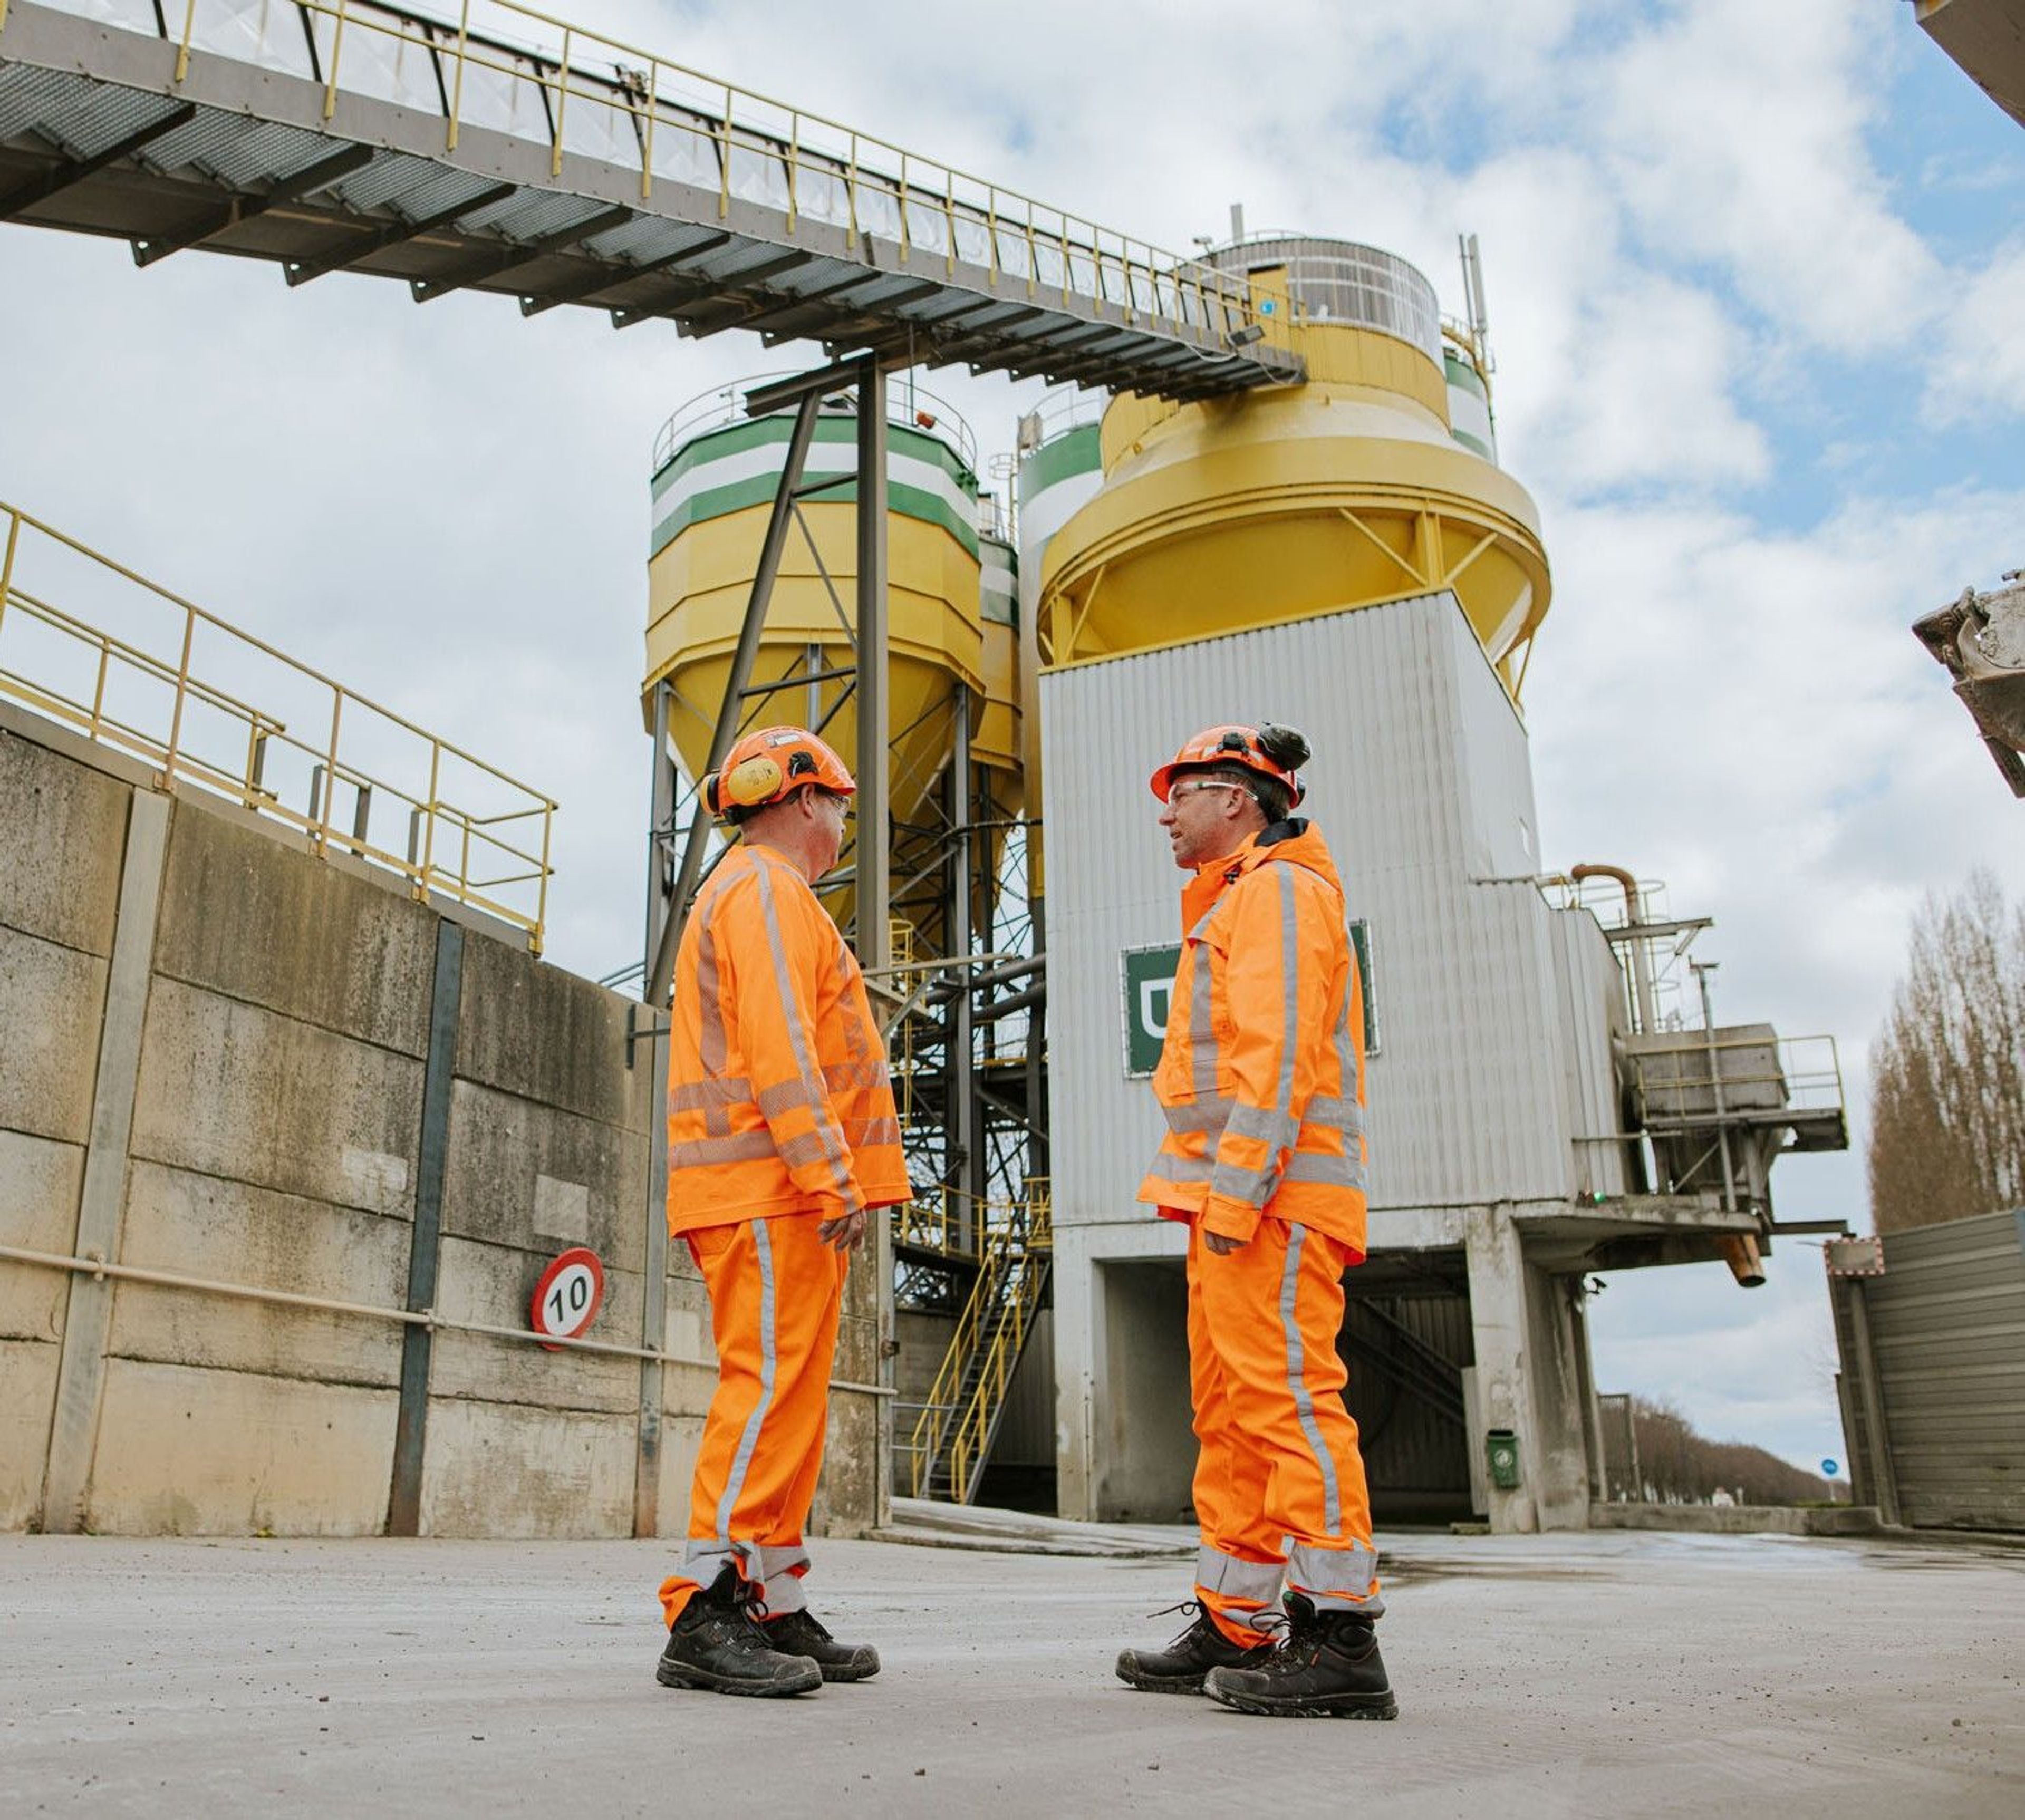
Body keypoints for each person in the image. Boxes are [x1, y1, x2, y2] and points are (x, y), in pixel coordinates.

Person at [1113, 722, 1396, 1720]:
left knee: (1286, 1404)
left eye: (1182, 792)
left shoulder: (1279, 892)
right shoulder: (1240, 896)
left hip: (1271, 1202)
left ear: (1236, 799)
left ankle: (1341, 1634)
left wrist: (1237, 1194)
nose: (1166, 811)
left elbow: (1273, 1060)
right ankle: (1237, 1621)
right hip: (1234, 1202)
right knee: (1232, 1417)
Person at [653, 725, 910, 1698]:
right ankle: (704, 1607)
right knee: (765, 1390)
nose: (843, 823)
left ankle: (769, 1597)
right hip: (768, 1187)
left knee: (792, 1402)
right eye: (841, 804)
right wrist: (828, 1172)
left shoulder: (779, 898)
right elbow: (781, 1046)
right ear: (806, 802)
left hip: (781, 1192)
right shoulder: (762, 889)